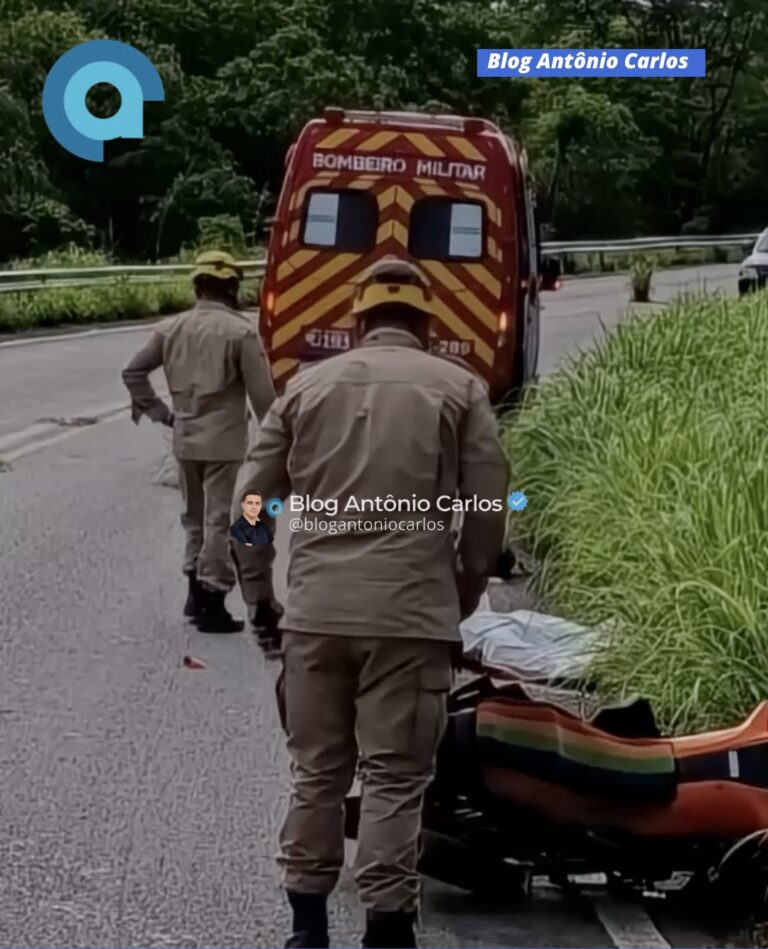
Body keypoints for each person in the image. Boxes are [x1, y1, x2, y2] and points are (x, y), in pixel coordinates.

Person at [241, 256, 509, 948]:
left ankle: (306, 928)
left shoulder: (304, 387)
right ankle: (387, 929)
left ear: (358, 320)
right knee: (394, 777)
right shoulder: (460, 389)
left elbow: (250, 502)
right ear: (426, 320)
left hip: (315, 615)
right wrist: (462, 591)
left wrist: (258, 591)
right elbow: (486, 511)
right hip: (411, 618)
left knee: (317, 772)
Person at [121, 249, 278, 634]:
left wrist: (160, 412)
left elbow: (133, 372)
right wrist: (278, 448)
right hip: (224, 444)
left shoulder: (171, 328)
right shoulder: (240, 332)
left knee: (194, 519)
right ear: (232, 288)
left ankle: (194, 591)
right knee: (219, 522)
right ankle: (211, 599)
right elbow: (263, 401)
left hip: (185, 439)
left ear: (197, 287)